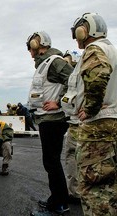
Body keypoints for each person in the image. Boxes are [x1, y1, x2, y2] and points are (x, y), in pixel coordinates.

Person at [61, 12, 117, 215]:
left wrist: (91, 107)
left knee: (94, 189)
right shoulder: (111, 49)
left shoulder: (95, 49)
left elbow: (98, 75)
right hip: (110, 124)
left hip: (97, 128)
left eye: (77, 32)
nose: (76, 37)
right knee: (108, 187)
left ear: (84, 30)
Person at [26, 31, 74, 216]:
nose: (29, 50)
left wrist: (59, 101)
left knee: (52, 162)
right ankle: (56, 199)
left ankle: (60, 205)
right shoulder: (45, 64)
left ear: (37, 44)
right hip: (47, 119)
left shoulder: (54, 61)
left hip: (53, 119)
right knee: (51, 162)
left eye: (30, 45)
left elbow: (75, 81)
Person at [62, 49, 82, 203]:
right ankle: (75, 191)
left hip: (80, 123)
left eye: (67, 61)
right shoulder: (73, 78)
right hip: (74, 122)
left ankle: (75, 192)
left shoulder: (78, 76)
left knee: (73, 156)